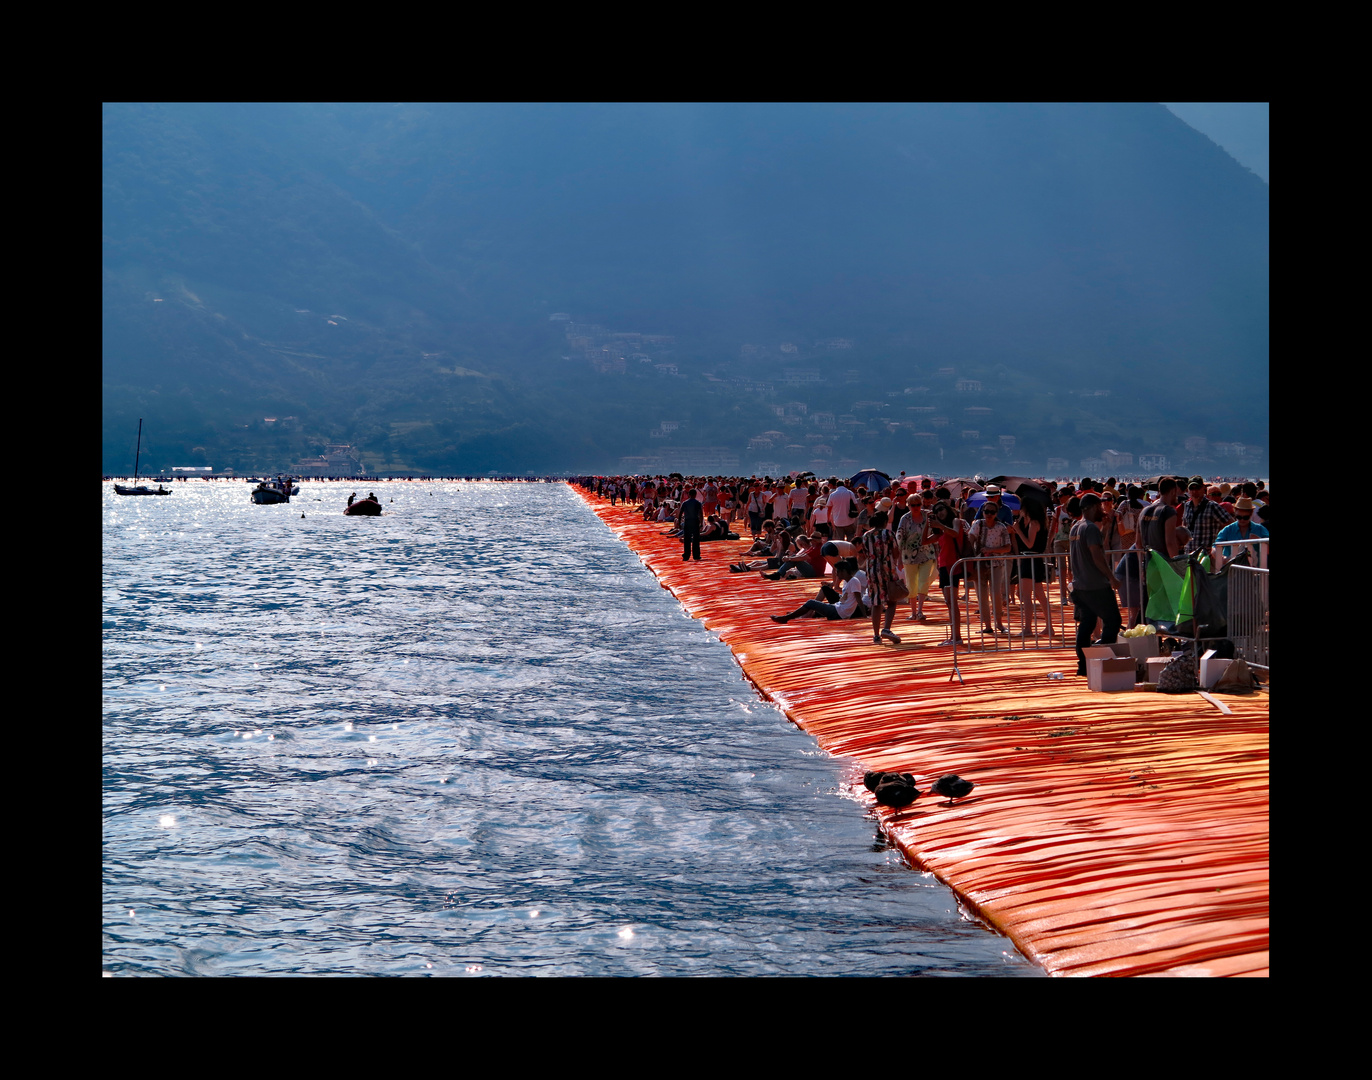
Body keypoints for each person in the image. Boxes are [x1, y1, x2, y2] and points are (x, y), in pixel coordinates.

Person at [1069, 494, 1122, 677]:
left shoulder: (1076, 527)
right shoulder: (1090, 528)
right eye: (1099, 507)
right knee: (1113, 621)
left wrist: (1105, 528)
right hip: (1096, 585)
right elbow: (1097, 556)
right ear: (1092, 507)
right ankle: (1102, 660)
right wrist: (1111, 578)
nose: (1102, 510)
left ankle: (1083, 665)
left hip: (1080, 585)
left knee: (1087, 624)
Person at [1009, 498, 1053, 637]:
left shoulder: (1034, 523)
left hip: (1031, 559)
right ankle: (1048, 627)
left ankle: (1028, 628)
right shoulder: (1026, 522)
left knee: (1027, 595)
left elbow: (1029, 544)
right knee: (1039, 595)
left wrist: (1018, 531)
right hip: (1029, 559)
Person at [771, 559, 866, 623]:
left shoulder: (854, 581)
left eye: (838, 571)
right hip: (838, 609)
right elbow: (847, 599)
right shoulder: (848, 581)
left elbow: (858, 599)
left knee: (811, 603)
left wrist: (864, 616)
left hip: (839, 612)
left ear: (844, 571)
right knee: (816, 609)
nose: (836, 574)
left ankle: (786, 618)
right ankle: (795, 615)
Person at [861, 510, 905, 644]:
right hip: (888, 569)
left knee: (876, 602)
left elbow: (865, 553)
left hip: (872, 571)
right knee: (892, 600)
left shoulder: (866, 536)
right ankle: (886, 628)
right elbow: (896, 554)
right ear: (885, 522)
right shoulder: (889, 534)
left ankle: (876, 635)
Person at [968, 502, 1012, 634]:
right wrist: (973, 553)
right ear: (983, 512)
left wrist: (992, 550)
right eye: (987, 511)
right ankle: (987, 625)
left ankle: (999, 623)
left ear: (996, 514)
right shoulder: (977, 525)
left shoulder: (1001, 527)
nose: (989, 515)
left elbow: (1007, 547)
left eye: (992, 512)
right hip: (979, 565)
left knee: (996, 593)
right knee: (982, 595)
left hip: (996, 564)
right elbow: (970, 539)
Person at [929, 498, 968, 647]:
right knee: (948, 602)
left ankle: (957, 636)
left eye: (941, 509)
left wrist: (940, 526)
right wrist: (929, 524)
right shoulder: (940, 528)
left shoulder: (955, 521)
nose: (939, 512)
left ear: (947, 509)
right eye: (936, 511)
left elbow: (955, 533)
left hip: (953, 564)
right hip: (943, 565)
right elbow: (925, 541)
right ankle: (953, 636)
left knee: (953, 602)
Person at [896, 495, 938, 622]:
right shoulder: (905, 519)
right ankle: (913, 612)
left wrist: (937, 553)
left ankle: (920, 611)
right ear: (908, 505)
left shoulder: (928, 516)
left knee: (924, 582)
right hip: (909, 556)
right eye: (913, 505)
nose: (916, 507)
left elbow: (936, 534)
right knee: (911, 584)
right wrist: (899, 559)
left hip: (927, 554)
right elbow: (900, 539)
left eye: (918, 504)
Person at [1181, 477, 1234, 556]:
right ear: (1188, 490)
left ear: (1203, 488)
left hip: (1206, 555)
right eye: (1192, 488)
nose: (1194, 491)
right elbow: (1185, 525)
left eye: (1197, 488)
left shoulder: (1212, 506)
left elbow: (1232, 524)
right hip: (1189, 553)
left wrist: (1217, 544)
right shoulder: (1187, 506)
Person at [1212, 497, 1269, 568]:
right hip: (1232, 571)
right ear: (1235, 512)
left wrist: (1260, 541)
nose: (1242, 520)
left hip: (1255, 572)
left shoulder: (1260, 529)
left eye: (1245, 517)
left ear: (1251, 514)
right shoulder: (1227, 530)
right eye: (1239, 517)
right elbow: (1215, 547)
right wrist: (1222, 558)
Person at [680, 487, 703, 561]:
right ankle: (696, 555)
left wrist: (679, 522)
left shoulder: (685, 503)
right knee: (696, 539)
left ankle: (686, 555)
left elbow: (680, 513)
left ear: (689, 494)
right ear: (695, 495)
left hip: (687, 521)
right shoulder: (697, 503)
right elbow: (700, 514)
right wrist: (701, 523)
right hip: (695, 521)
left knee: (687, 539)